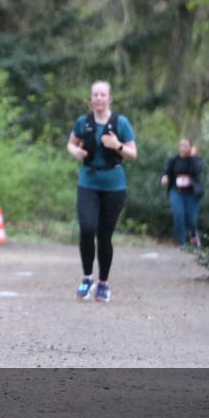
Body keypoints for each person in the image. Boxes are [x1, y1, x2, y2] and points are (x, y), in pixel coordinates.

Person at [66, 81, 137, 303]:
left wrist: (117, 145)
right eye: (95, 94)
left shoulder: (121, 123)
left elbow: (133, 154)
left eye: (102, 94)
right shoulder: (83, 122)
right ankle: (87, 278)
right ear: (91, 98)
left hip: (114, 185)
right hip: (88, 182)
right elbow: (71, 143)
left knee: (104, 236)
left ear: (109, 98)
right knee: (87, 229)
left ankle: (103, 283)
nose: (98, 98)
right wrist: (75, 152)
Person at [160, 138, 205, 248]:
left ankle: (194, 238)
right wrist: (165, 177)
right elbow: (166, 171)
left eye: (185, 145)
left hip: (192, 193)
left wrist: (194, 156)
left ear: (191, 147)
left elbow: (198, 170)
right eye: (181, 145)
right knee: (178, 215)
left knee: (191, 219)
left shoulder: (195, 160)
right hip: (176, 192)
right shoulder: (174, 160)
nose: (182, 147)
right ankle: (182, 242)